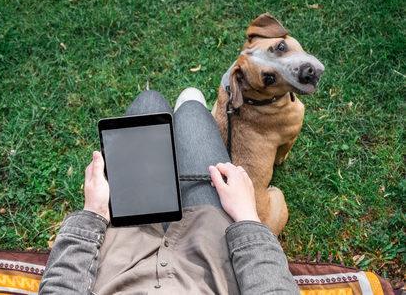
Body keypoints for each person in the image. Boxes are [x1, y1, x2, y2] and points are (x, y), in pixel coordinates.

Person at [38, 88, 300, 295]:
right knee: (193, 110)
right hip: (210, 252)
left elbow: (60, 288)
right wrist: (246, 217)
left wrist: (92, 212)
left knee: (148, 102)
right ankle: (189, 103)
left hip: (123, 246)